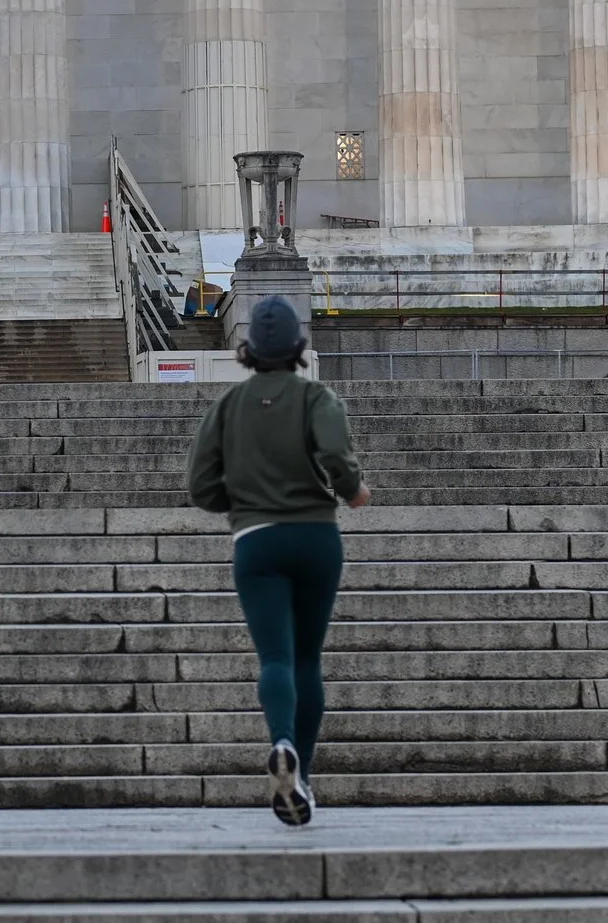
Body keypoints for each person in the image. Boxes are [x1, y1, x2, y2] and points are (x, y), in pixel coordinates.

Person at [184, 294, 369, 827]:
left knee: (277, 660)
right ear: (297, 347)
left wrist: (240, 507)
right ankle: (302, 774)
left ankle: (281, 741)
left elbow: (199, 485)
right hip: (315, 536)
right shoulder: (317, 398)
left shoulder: (226, 408)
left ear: (248, 350)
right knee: (309, 659)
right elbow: (336, 454)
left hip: (257, 542)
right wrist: (353, 490)